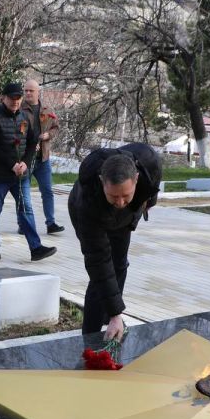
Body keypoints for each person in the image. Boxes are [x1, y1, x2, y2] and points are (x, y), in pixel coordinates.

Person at [68, 143, 161, 340]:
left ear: (136, 179)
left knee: (120, 264)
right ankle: (91, 335)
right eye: (114, 196)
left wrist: (144, 205)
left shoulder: (148, 160)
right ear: (102, 181)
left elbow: (152, 188)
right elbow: (98, 261)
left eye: (126, 196)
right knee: (101, 273)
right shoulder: (87, 202)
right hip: (91, 214)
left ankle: (109, 321)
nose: (119, 202)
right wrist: (116, 313)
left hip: (124, 220)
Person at [0, 82, 56, 262]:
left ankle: (35, 248)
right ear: (3, 98)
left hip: (20, 175)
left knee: (26, 210)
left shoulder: (24, 117)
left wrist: (24, 162)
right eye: (12, 98)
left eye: (18, 98)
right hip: (0, 175)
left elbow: (32, 143)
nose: (15, 101)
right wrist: (11, 164)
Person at [18, 79, 65, 235]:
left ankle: (51, 223)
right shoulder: (20, 109)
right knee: (23, 193)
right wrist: (30, 143)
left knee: (47, 191)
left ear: (38, 92)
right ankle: (23, 224)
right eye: (26, 91)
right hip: (25, 159)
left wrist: (48, 135)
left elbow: (56, 127)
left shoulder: (46, 109)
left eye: (31, 90)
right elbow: (18, 132)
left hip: (43, 159)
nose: (28, 93)